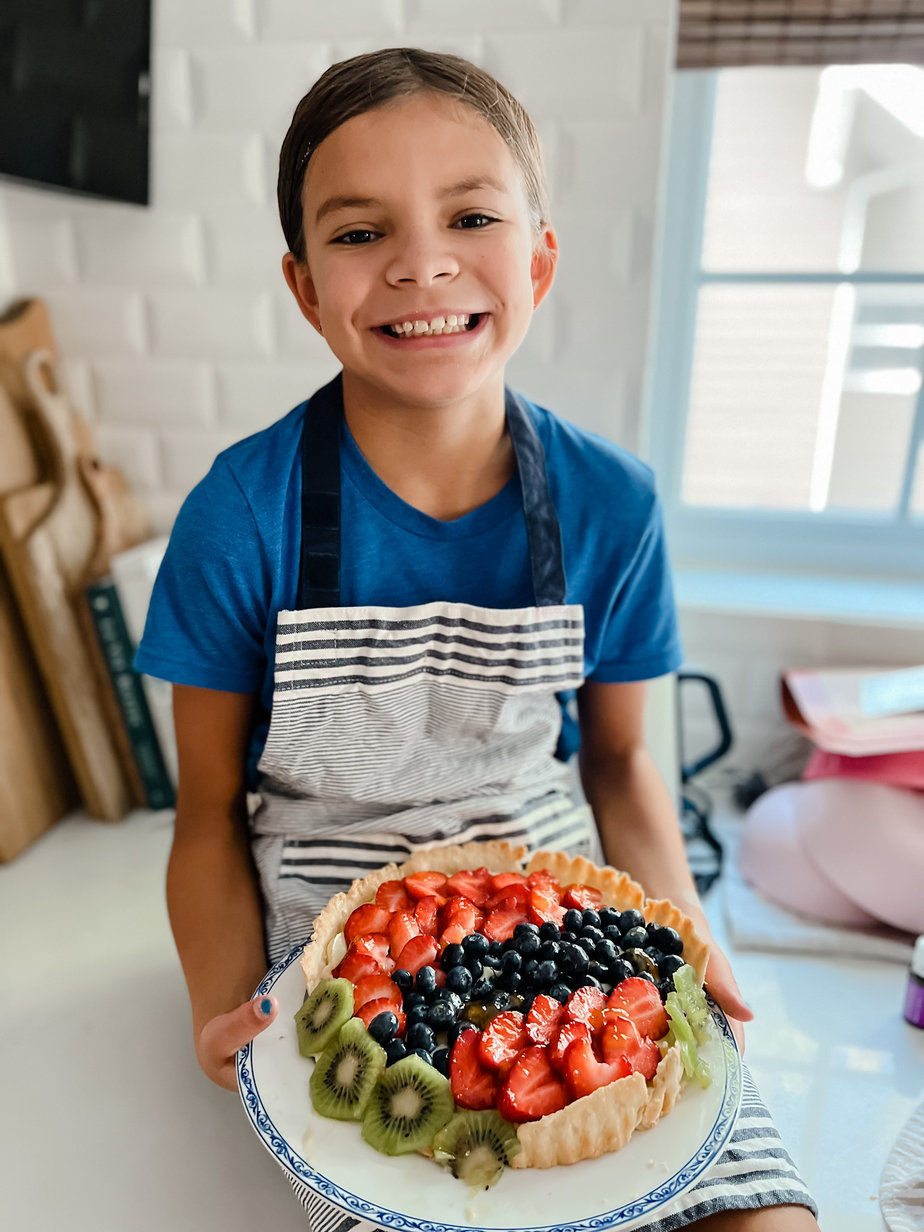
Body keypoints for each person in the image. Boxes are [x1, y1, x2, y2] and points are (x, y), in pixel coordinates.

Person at [136, 47, 819, 1231]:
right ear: (304, 286)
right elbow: (205, 815)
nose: (421, 262)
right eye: (359, 233)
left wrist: (684, 934)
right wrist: (220, 1006)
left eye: (471, 214)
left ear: (540, 259)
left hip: (549, 868)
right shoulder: (239, 515)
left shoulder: (612, 504)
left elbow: (617, 765)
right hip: (328, 903)